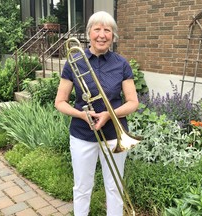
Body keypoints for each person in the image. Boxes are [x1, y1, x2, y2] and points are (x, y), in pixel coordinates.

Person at [54, 11, 139, 216]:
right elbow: (60, 102)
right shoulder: (75, 61)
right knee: (82, 188)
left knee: (115, 187)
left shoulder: (121, 64)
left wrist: (109, 114)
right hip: (83, 134)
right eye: (97, 29)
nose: (102, 35)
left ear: (113, 36)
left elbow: (133, 102)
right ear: (89, 32)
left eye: (107, 30)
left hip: (114, 134)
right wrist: (82, 114)